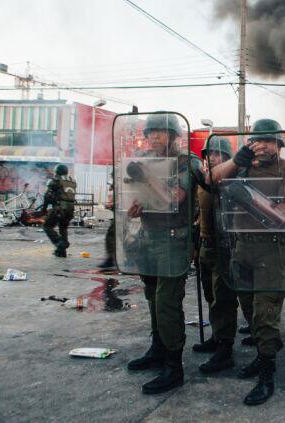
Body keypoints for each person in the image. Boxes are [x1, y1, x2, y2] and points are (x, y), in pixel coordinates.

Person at [208, 118, 285, 405]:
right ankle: (262, 355)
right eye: (257, 141)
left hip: (271, 250)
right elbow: (211, 179)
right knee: (249, 308)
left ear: (279, 145)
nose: (262, 146)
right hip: (241, 247)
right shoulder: (241, 166)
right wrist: (236, 160)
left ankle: (267, 375)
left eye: (269, 141)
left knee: (265, 312)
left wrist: (248, 197)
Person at [124, 113, 198, 395]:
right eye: (151, 132)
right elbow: (126, 195)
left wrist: (146, 176)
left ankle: (173, 366)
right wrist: (131, 205)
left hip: (172, 240)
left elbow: (173, 198)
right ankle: (157, 349)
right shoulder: (144, 160)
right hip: (147, 237)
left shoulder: (187, 162)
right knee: (152, 297)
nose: (154, 137)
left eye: (160, 132)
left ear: (174, 136)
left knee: (167, 302)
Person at [194, 137, 255, 367]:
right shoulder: (205, 181)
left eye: (217, 154)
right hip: (205, 246)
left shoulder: (233, 179)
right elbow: (198, 212)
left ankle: (225, 348)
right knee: (211, 296)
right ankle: (217, 336)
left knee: (224, 299)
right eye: (208, 154)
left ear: (229, 158)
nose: (210, 158)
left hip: (226, 247)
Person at [41, 164, 77, 258]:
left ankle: (60, 243)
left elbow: (47, 196)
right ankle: (61, 252)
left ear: (57, 171)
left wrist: (44, 209)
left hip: (59, 208)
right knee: (63, 228)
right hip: (70, 209)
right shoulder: (72, 181)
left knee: (47, 226)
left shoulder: (55, 181)